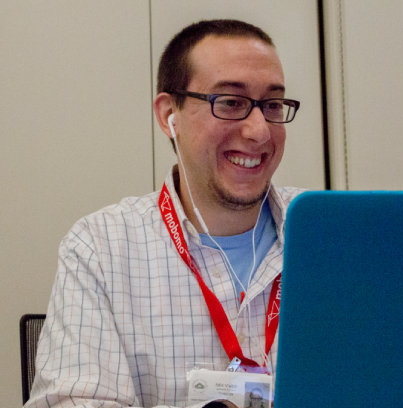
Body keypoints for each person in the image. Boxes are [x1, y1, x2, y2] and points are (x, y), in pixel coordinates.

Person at [25, 19, 303, 408]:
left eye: (272, 105)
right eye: (230, 103)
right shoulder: (102, 248)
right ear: (169, 114)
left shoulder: (334, 237)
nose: (259, 131)